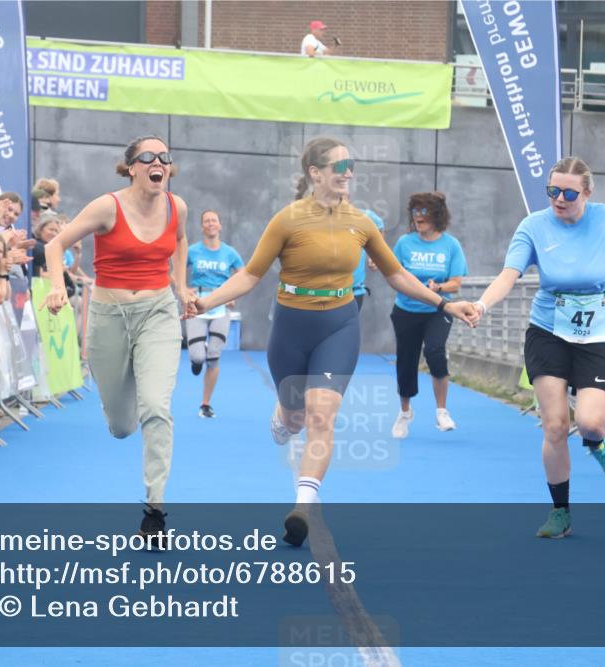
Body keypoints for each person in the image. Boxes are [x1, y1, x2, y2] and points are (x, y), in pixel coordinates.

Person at [191, 137, 477, 547]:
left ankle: (303, 505)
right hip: (291, 325)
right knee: (294, 418)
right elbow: (250, 275)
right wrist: (204, 302)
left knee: (322, 414)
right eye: (338, 166)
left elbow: (397, 275)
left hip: (339, 325)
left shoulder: (361, 223)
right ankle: (283, 414)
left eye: (351, 165)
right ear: (315, 173)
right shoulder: (288, 220)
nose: (347, 173)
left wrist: (444, 305)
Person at [469, 156, 605, 539]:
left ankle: (597, 442)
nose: (559, 199)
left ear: (587, 193)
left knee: (589, 420)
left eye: (569, 193)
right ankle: (560, 512)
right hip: (548, 331)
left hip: (598, 334)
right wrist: (481, 305)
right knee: (555, 426)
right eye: (552, 190)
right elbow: (510, 275)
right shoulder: (533, 227)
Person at [44, 135, 190, 539]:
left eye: (164, 157)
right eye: (147, 157)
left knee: (157, 408)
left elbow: (179, 241)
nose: (157, 162)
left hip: (158, 313)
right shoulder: (107, 206)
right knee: (123, 425)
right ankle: (119, 421)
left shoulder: (176, 206)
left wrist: (181, 285)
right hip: (109, 316)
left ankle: (155, 509)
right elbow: (56, 245)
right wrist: (58, 286)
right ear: (130, 167)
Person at [390, 192, 468, 438]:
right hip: (406, 310)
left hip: (438, 309)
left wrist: (439, 288)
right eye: (415, 212)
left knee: (435, 350)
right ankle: (405, 413)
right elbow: (392, 272)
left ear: (437, 215)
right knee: (406, 361)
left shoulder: (451, 245)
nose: (419, 217)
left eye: (424, 212)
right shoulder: (404, 243)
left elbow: (456, 283)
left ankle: (441, 411)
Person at [186, 210, 245, 419]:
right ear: (202, 226)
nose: (210, 224)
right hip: (197, 306)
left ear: (220, 225)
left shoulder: (229, 253)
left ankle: (205, 403)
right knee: (198, 356)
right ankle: (196, 361)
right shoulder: (192, 251)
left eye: (214, 220)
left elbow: (244, 275)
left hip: (220, 307)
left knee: (214, 356)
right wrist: (184, 290)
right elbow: (171, 270)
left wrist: (233, 294)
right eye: (206, 221)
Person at [350, 205, 384, 311]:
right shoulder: (318, 219)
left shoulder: (364, 216)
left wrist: (375, 254)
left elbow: (379, 227)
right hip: (323, 292)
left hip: (354, 292)